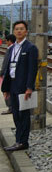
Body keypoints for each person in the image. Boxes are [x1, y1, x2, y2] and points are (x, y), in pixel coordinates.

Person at [1, 21, 38, 151]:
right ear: (14, 31)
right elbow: (7, 69)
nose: (19, 31)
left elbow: (32, 70)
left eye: (22, 29)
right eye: (16, 29)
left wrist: (29, 87)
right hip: (12, 84)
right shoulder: (12, 48)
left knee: (23, 115)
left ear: (26, 31)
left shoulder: (30, 48)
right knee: (15, 113)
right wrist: (5, 89)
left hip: (23, 86)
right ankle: (18, 140)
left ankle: (22, 141)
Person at [0, 34, 17, 114]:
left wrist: (2, 72)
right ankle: (11, 107)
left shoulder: (11, 49)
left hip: (7, 74)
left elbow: (6, 63)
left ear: (9, 41)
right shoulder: (14, 48)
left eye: (6, 41)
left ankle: (10, 108)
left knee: (6, 90)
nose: (6, 42)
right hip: (9, 73)